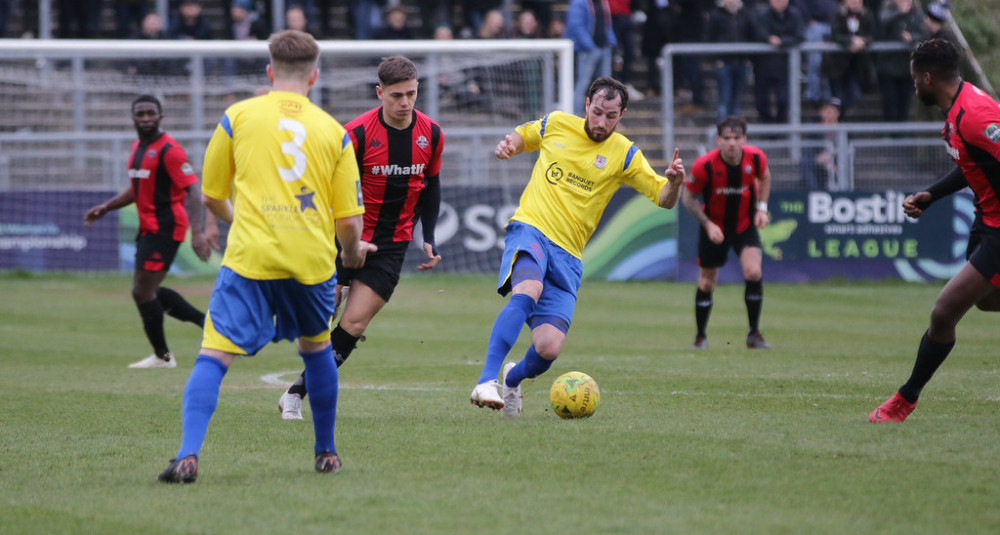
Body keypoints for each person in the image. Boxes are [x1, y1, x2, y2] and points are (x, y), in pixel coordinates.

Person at [157, 29, 372, 483]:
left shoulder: (237, 116)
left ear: (271, 72)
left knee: (214, 355)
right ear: (314, 76)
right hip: (310, 263)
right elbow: (350, 222)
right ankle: (326, 452)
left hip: (250, 259)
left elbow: (212, 196)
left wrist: (246, 222)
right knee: (316, 350)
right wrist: (351, 254)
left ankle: (188, 454)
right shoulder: (335, 133)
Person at [469, 77, 686, 417]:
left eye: (610, 116)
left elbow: (664, 198)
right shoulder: (557, 123)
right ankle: (486, 380)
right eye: (597, 112)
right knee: (528, 289)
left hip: (568, 256)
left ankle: (512, 377)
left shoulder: (625, 154)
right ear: (586, 104)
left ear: (622, 115)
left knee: (548, 349)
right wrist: (508, 145)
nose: (601, 122)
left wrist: (674, 183)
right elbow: (523, 135)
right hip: (531, 229)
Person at [277, 55, 445, 420]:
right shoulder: (355, 134)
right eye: (397, 95)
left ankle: (295, 394)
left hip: (391, 245)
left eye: (412, 94)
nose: (405, 103)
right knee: (320, 318)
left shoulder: (431, 133)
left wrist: (428, 235)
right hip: (342, 239)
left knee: (353, 325)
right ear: (379, 92)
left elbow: (431, 185)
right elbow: (323, 188)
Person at [869, 39, 1000, 423]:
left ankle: (903, 401)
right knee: (987, 301)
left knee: (944, 312)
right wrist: (933, 195)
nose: (914, 87)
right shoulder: (958, 108)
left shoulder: (976, 114)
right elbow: (973, 163)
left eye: (914, 80)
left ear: (927, 78)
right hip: (986, 221)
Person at [84, 95, 212, 369]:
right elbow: (138, 188)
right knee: (145, 290)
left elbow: (193, 188)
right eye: (140, 113)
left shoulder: (170, 150)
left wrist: (197, 232)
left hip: (166, 227)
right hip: (149, 228)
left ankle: (163, 356)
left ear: (160, 116)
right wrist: (107, 207)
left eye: (150, 113)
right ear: (133, 118)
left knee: (142, 291)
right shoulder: (138, 148)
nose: (145, 118)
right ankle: (206, 326)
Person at [681, 116, 772, 350]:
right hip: (714, 228)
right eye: (727, 138)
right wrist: (708, 225)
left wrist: (761, 208)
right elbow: (688, 198)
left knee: (753, 272)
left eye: (737, 138)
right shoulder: (705, 165)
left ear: (744, 139)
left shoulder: (756, 158)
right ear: (718, 140)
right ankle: (700, 336)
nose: (732, 143)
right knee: (708, 282)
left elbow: (765, 176)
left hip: (744, 225)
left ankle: (754, 334)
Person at [753, 0, 805, 124]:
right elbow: (758, 33)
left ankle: (780, 123)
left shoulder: (795, 15)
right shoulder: (762, 15)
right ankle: (767, 124)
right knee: (761, 100)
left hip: (785, 65)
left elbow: (799, 36)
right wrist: (768, 38)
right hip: (763, 65)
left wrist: (781, 41)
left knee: (783, 99)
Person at [875, 0, 927, 123]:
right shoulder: (887, 9)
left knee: (904, 102)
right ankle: (890, 132)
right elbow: (882, 21)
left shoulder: (916, 13)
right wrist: (900, 12)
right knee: (889, 101)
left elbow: (924, 33)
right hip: (888, 65)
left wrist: (912, 37)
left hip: (908, 66)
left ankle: (901, 134)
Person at [705, 0, 756, 122]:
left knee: (737, 98)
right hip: (724, 62)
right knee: (724, 97)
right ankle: (723, 130)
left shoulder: (747, 14)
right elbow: (709, 37)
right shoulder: (716, 15)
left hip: (742, 61)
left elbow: (752, 35)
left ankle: (734, 129)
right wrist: (716, 58)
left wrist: (749, 57)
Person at [823, 0, 875, 118]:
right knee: (837, 98)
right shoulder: (837, 13)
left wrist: (863, 42)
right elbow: (835, 34)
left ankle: (842, 120)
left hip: (856, 65)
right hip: (836, 65)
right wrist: (850, 41)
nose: (855, 3)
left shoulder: (866, 14)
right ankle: (840, 123)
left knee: (855, 95)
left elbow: (872, 34)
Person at [567, 0, 617, 114]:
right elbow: (576, 26)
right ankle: (575, 116)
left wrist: (611, 42)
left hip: (604, 48)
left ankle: (607, 116)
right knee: (582, 84)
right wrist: (589, 46)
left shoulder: (603, 2)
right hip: (588, 50)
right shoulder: (578, 2)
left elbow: (607, 23)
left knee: (606, 87)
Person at [799, 97, 840, 190]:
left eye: (833, 110)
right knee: (805, 163)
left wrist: (834, 158)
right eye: (827, 110)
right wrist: (818, 158)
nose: (830, 112)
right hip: (820, 164)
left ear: (838, 113)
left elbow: (850, 152)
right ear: (821, 112)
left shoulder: (845, 132)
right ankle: (814, 193)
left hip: (838, 164)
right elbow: (809, 150)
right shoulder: (814, 131)